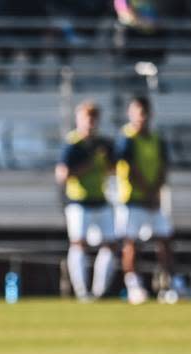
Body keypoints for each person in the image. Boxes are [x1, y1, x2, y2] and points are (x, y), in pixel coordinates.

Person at [114, 95, 175, 304]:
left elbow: (163, 167)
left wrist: (155, 190)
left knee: (164, 239)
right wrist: (147, 190)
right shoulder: (126, 138)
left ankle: (167, 284)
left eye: (144, 112)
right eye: (137, 112)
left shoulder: (157, 138)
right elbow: (129, 168)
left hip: (154, 200)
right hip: (132, 200)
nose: (141, 117)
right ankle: (133, 285)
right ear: (130, 114)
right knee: (131, 243)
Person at [55, 101, 118, 300]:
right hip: (78, 202)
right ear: (78, 119)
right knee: (78, 244)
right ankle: (82, 291)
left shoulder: (103, 144)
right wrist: (88, 165)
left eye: (93, 118)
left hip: (100, 199)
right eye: (86, 118)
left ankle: (99, 291)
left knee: (110, 245)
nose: (90, 123)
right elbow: (62, 174)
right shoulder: (73, 144)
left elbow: (113, 168)